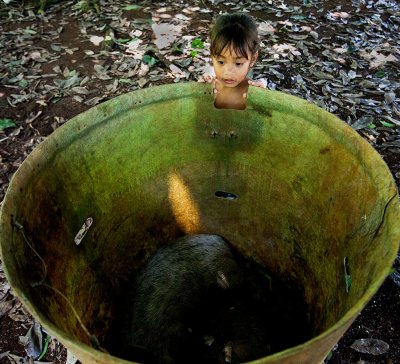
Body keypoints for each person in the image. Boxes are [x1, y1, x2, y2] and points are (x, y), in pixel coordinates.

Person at [202, 13, 266, 110]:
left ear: (252, 59)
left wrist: (264, 98)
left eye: (238, 63)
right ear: (212, 55)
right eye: (221, 62)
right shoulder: (209, 87)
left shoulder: (254, 92)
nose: (228, 72)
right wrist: (199, 91)